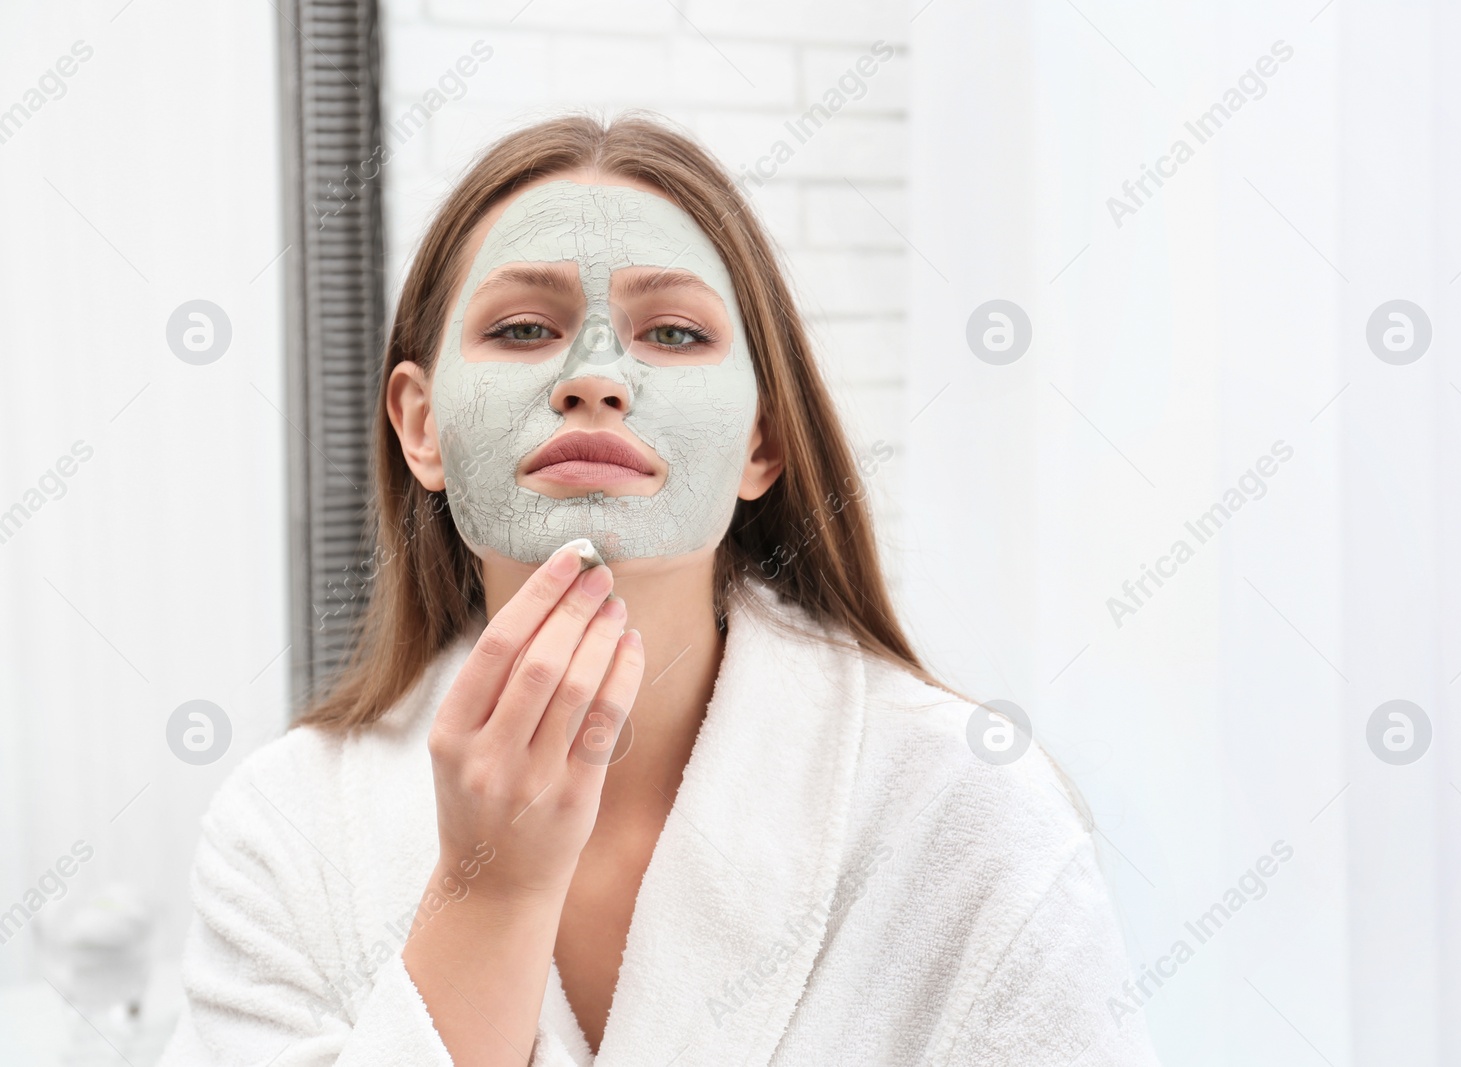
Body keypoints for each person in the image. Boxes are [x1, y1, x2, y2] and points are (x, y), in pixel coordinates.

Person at [156, 112, 1162, 1066]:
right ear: (421, 426)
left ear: (760, 438)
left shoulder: (965, 810)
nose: (595, 376)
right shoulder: (284, 832)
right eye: (519, 328)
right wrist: (489, 890)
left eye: (674, 333)